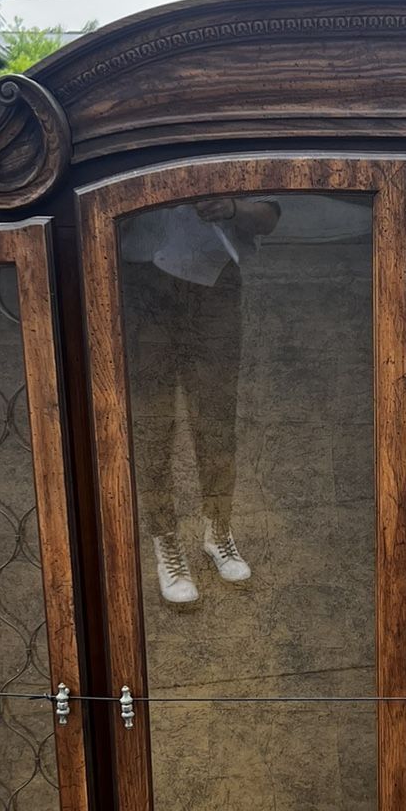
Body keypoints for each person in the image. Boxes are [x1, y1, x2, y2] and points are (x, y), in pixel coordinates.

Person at [119, 195, 280, 606]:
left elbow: (269, 215)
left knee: (215, 415)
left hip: (213, 285)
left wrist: (229, 208)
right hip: (139, 283)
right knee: (153, 422)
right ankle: (165, 540)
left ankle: (218, 531)